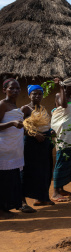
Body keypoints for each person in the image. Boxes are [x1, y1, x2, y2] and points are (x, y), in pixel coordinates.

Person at [50, 77, 71, 202]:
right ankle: (55, 192)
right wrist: (61, 87)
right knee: (62, 161)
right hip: (64, 135)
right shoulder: (60, 95)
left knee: (69, 161)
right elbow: (63, 105)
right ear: (67, 88)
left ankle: (61, 189)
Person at [20, 85, 54, 208]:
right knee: (29, 171)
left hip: (44, 143)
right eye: (34, 94)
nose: (37, 96)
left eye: (40, 94)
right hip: (31, 144)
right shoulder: (25, 109)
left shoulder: (43, 109)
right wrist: (34, 135)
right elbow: (20, 127)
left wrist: (50, 131)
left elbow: (45, 125)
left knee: (44, 171)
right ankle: (22, 200)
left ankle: (42, 198)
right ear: (29, 95)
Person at [0, 79, 25, 218]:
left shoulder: (14, 105)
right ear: (5, 90)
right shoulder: (2, 104)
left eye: (18, 88)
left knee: (11, 181)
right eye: (12, 88)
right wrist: (12, 123)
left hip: (14, 149)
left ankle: (6, 208)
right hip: (4, 149)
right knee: (3, 181)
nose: (15, 91)